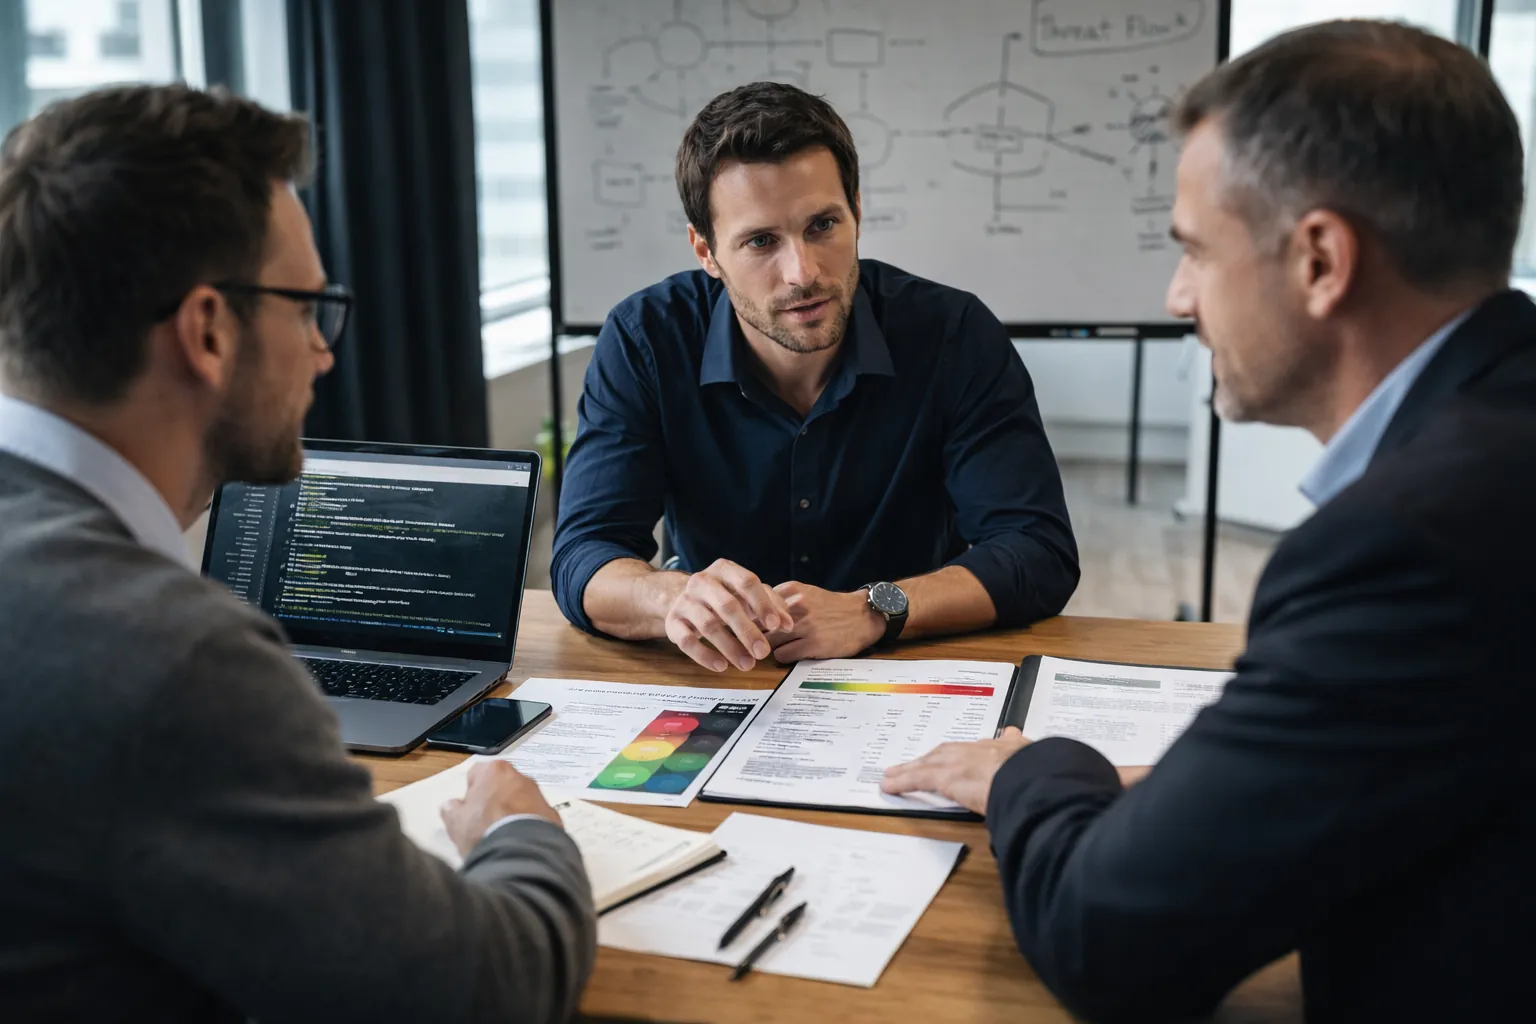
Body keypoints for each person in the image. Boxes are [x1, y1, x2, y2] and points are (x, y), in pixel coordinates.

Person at [881, 20, 1536, 1023]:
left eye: (1194, 250)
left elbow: (1109, 943)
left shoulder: (1409, 543)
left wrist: (1035, 768)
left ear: (1319, 259)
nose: (1177, 295)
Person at [0, 85, 594, 1022]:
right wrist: (521, 829)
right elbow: (486, 990)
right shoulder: (172, 659)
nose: (323, 351)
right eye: (308, 308)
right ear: (207, 330)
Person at [551, 82, 1079, 672]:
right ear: (706, 251)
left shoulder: (953, 333)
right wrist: (673, 597)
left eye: (823, 225)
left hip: (911, 666)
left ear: (856, 209)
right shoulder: (646, 338)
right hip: (725, 675)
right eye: (760, 241)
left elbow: (1038, 551)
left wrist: (874, 610)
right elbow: (583, 555)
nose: (802, 273)